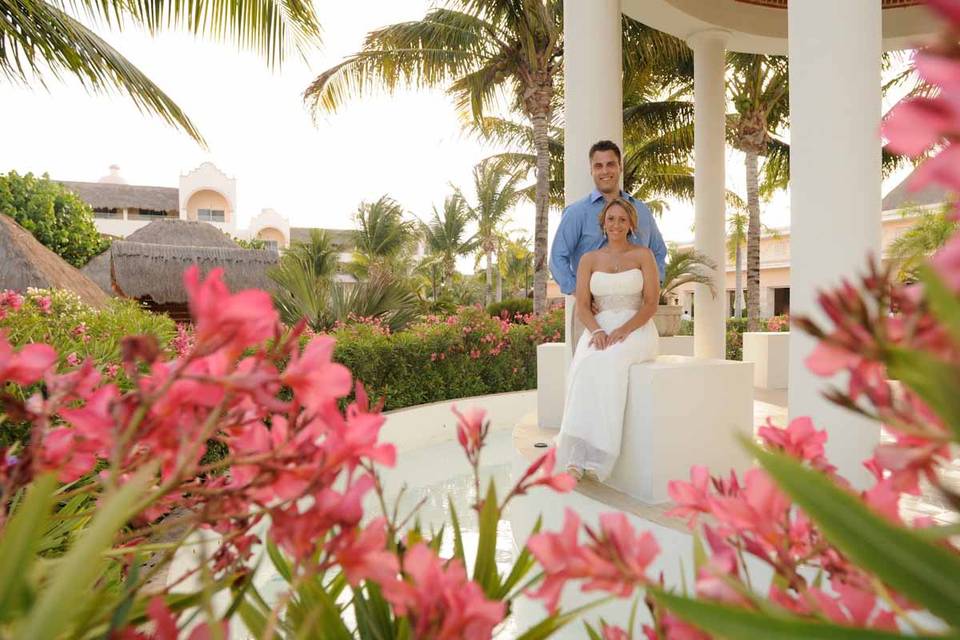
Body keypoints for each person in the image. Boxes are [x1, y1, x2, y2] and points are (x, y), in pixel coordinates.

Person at [555, 197, 660, 482]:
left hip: (636, 328)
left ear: (631, 224)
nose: (616, 224)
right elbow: (582, 306)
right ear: (603, 223)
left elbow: (651, 304)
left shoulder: (643, 256)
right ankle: (576, 455)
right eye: (611, 219)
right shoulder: (589, 260)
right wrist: (598, 331)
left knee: (611, 361)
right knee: (585, 365)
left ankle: (599, 454)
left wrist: (625, 329)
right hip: (599, 328)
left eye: (622, 220)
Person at [549, 140, 667, 354]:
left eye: (611, 164)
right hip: (591, 315)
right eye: (598, 166)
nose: (605, 171)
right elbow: (557, 258)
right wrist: (580, 293)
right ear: (591, 170)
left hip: (636, 315)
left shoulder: (641, 210)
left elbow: (658, 251)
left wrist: (650, 290)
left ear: (620, 167)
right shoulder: (577, 212)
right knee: (588, 374)